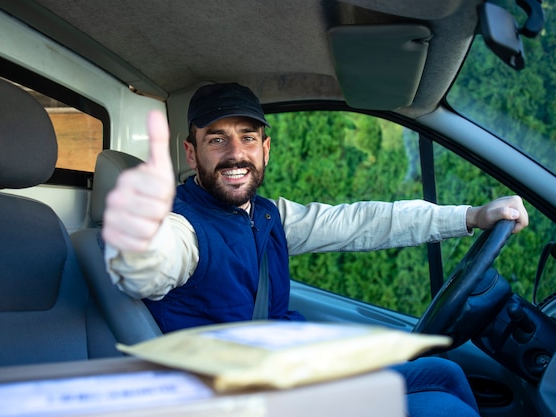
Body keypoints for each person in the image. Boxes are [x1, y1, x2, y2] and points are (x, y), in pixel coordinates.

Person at [102, 83, 529, 416]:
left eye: (247, 138)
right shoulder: (182, 227)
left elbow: (363, 222)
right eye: (217, 140)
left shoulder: (268, 216)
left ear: (265, 149)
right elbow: (152, 263)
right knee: (443, 408)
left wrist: (470, 216)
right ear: (192, 154)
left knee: (446, 371)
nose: (236, 154)